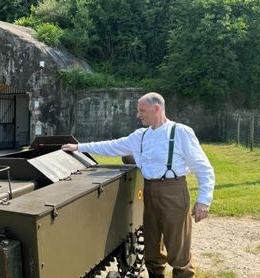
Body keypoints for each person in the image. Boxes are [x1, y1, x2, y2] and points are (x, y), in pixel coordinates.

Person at [62, 92, 215, 278]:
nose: (138, 114)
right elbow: (110, 146)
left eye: (141, 110)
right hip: (149, 192)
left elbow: (203, 168)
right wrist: (79, 147)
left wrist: (204, 200)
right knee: (152, 247)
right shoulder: (140, 136)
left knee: (178, 248)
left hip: (174, 192)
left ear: (156, 108)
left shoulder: (180, 132)